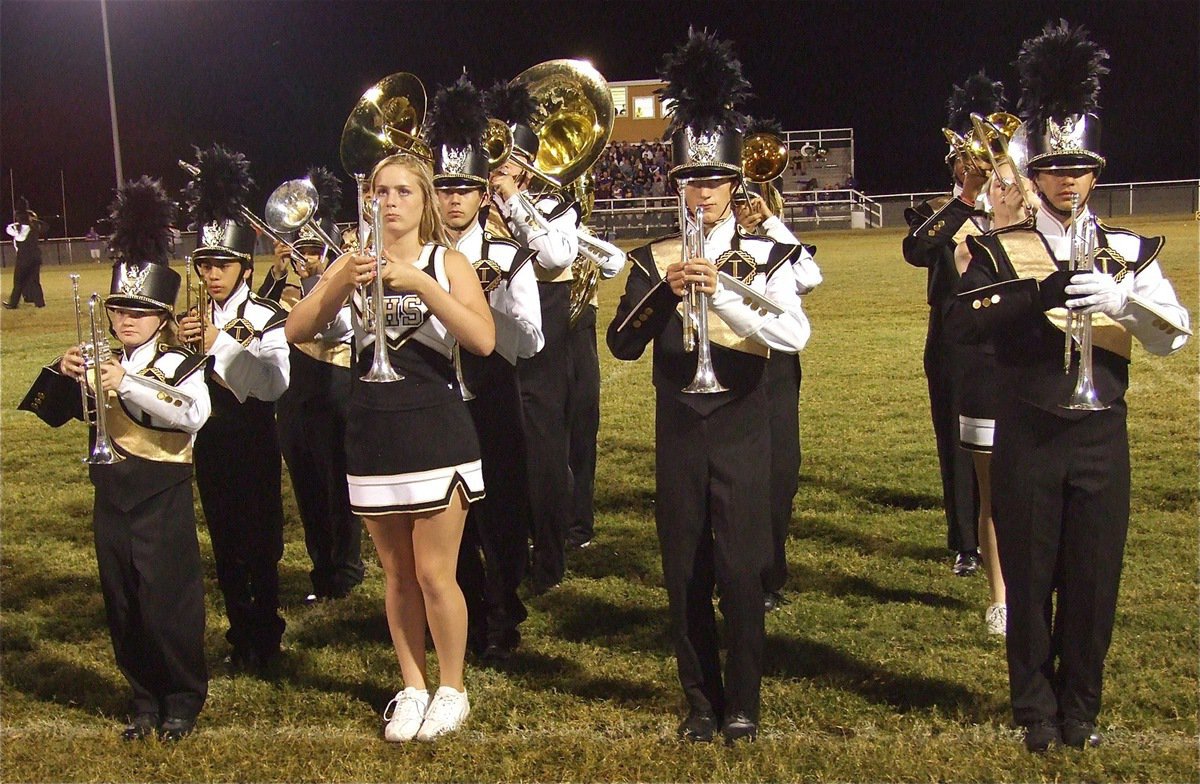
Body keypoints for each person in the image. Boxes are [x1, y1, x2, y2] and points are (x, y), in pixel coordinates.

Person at [947, 21, 1190, 753]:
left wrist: (1123, 302)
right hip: (1028, 428)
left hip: (1099, 433)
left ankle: (1081, 705)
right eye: (1054, 165)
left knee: (1092, 581)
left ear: (1094, 169)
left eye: (1079, 166)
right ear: (1036, 171)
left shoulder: (1126, 249)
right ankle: (1035, 709)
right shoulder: (997, 246)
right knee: (1028, 576)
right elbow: (966, 326)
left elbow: (1172, 332)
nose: (1067, 179)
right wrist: (1044, 287)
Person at [607, 29, 810, 746]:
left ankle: (745, 701)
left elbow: (793, 336)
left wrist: (721, 289)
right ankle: (700, 700)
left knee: (742, 569)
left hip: (744, 426)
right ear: (676, 184)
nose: (702, 191)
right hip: (679, 434)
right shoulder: (653, 254)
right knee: (684, 570)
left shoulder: (771, 252)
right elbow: (623, 344)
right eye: (691, 178)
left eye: (714, 179)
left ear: (734, 185)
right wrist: (666, 292)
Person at [286, 153, 495, 742]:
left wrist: (424, 285)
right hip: (372, 431)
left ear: (425, 201)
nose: (392, 201)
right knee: (397, 575)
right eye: (381, 191)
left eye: (404, 191)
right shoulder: (350, 263)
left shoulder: (447, 261)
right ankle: (412, 686)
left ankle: (452, 688)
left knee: (435, 574)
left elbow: (482, 339)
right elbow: (297, 330)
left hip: (435, 428)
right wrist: (335, 287)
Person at [21, 177, 209, 741]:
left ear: (161, 316)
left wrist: (126, 383)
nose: (126, 320)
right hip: (112, 497)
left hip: (159, 495)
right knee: (123, 602)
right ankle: (143, 698)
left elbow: (191, 414)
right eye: (120, 310)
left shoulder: (178, 362)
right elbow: (49, 413)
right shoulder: (100, 358)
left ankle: (181, 697)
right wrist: (59, 371)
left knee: (167, 602)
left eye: (140, 312)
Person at [427, 75, 544, 661]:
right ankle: (464, 613)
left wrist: (489, 312)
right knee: (448, 518)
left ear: (482, 195)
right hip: (437, 403)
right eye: (443, 188)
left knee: (500, 511)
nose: (452, 199)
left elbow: (532, 341)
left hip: (492, 396)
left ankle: (503, 612)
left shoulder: (508, 254)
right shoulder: (420, 258)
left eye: (464, 189)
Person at [178, 144, 290, 675]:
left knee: (261, 541)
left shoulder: (267, 314)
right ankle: (238, 630)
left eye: (221, 263)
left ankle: (265, 633)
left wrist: (221, 344)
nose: (212, 274)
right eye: (205, 264)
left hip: (253, 438)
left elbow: (275, 383)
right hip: (211, 441)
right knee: (224, 541)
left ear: (245, 265)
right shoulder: (190, 317)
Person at [902, 72, 1006, 579]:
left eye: (984, 157)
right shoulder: (933, 212)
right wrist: (966, 198)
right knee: (958, 443)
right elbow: (917, 250)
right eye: (969, 160)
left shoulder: (1017, 207)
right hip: (952, 344)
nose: (978, 166)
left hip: (1010, 341)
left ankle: (1012, 534)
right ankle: (966, 542)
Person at [486, 81, 579, 593]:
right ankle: (504, 550)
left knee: (543, 446)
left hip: (544, 324)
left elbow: (556, 258)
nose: (500, 167)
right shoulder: (479, 199)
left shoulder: (556, 203)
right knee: (499, 440)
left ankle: (549, 556)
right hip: (491, 324)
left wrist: (516, 201)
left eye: (508, 159)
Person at [257, 167, 364, 605]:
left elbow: (334, 328)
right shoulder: (281, 279)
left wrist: (317, 276)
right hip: (294, 390)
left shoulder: (341, 271)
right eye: (299, 246)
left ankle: (347, 567)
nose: (306, 252)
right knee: (304, 478)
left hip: (334, 382)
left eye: (312, 245)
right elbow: (258, 317)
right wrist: (279, 272)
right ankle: (322, 567)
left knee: (337, 478)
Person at [735, 175, 822, 614]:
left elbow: (811, 276)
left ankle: (771, 572)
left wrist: (771, 224)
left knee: (781, 470)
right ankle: (737, 570)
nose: (744, 206)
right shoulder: (718, 245)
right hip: (734, 358)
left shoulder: (779, 248)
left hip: (779, 364)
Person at [5, 198, 46, 308]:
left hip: (23, 259)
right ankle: (40, 303)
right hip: (36, 258)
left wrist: (18, 224)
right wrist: (34, 220)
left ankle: (13, 303)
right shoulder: (35, 227)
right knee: (35, 281)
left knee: (18, 282)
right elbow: (45, 227)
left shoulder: (18, 230)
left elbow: (9, 230)